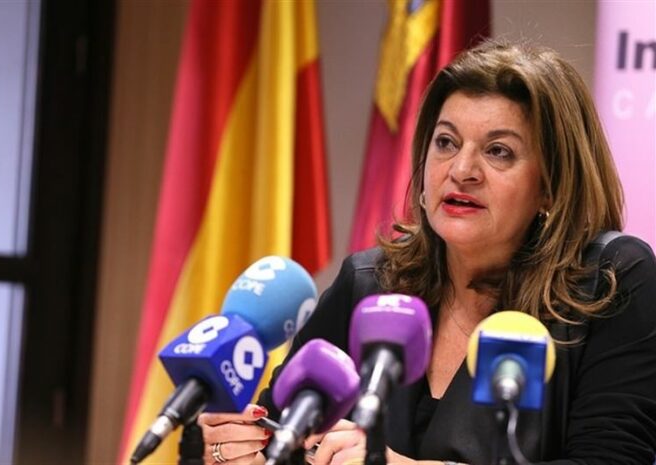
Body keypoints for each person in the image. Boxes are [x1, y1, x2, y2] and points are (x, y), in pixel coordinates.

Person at [196, 40, 656, 465]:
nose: (461, 170)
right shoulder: (370, 283)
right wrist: (236, 450)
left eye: (498, 151)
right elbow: (282, 433)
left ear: (552, 185)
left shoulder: (609, 281)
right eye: (446, 142)